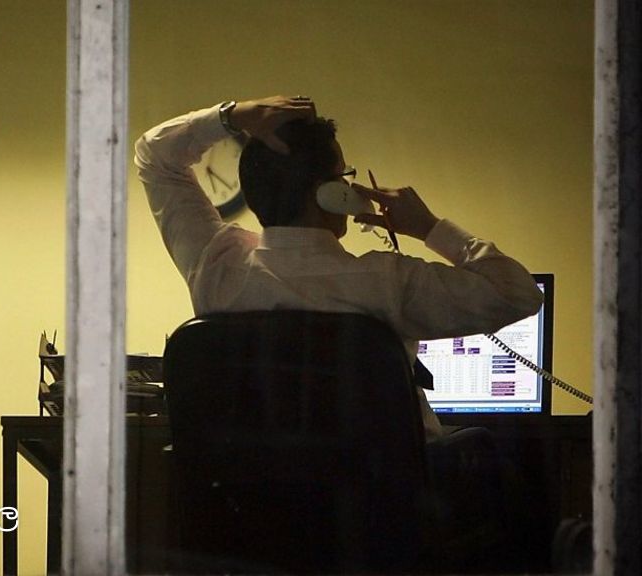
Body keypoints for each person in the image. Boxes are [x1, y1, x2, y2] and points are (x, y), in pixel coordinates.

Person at [134, 95, 544, 439]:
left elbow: (154, 156)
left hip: (256, 504)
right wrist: (428, 227)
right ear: (330, 193)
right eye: (343, 177)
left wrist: (232, 116)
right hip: (380, 503)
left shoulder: (215, 266)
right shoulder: (389, 283)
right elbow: (517, 293)